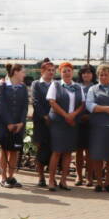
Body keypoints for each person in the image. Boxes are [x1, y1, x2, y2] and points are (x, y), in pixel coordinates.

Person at [85, 65, 109, 192]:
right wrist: (106, 109)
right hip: (97, 127)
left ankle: (107, 182)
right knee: (97, 155)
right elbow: (89, 105)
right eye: (101, 74)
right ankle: (99, 182)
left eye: (106, 74)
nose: (103, 77)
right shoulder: (93, 89)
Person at [47, 62, 83, 191]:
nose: (66, 73)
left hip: (72, 123)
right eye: (64, 71)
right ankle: (51, 180)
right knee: (57, 151)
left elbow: (82, 104)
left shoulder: (78, 87)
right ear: (60, 73)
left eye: (69, 70)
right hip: (59, 122)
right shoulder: (55, 85)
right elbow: (52, 101)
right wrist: (65, 115)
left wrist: (73, 115)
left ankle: (63, 180)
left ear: (72, 72)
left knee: (68, 152)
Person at [0, 63, 29, 188]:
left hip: (19, 125)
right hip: (5, 125)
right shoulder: (2, 86)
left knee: (15, 150)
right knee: (4, 150)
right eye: (23, 72)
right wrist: (9, 123)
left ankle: (11, 176)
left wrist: (21, 122)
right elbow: (1, 106)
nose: (24, 74)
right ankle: (2, 177)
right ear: (15, 72)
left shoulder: (23, 87)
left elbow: (25, 106)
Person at [31, 59, 55, 187]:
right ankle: (41, 177)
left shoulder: (56, 84)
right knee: (41, 150)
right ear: (42, 71)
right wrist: (45, 116)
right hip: (41, 122)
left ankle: (52, 176)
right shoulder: (36, 84)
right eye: (48, 70)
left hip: (54, 122)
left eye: (53, 70)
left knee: (53, 150)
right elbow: (35, 102)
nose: (51, 72)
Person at [75, 64, 97, 186]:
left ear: (93, 75)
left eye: (88, 73)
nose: (86, 75)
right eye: (84, 73)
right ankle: (78, 176)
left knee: (89, 152)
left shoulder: (96, 87)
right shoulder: (76, 87)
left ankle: (89, 176)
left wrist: (90, 116)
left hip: (91, 122)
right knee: (78, 151)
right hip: (78, 122)